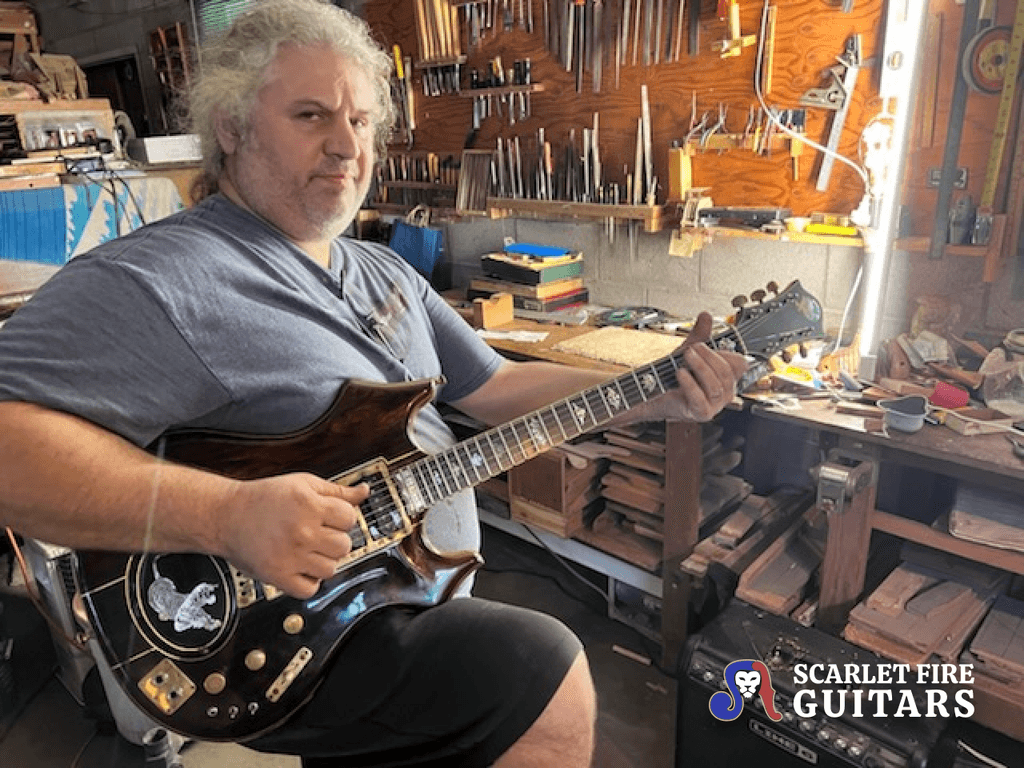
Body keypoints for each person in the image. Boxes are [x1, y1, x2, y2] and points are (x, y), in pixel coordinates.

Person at [0, 1, 747, 766]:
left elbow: (494, 389)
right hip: (278, 635)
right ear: (230, 127)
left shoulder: (385, 271)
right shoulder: (167, 278)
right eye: (311, 115)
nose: (344, 146)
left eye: (359, 121)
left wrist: (653, 393)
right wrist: (224, 516)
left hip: (403, 587)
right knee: (542, 671)